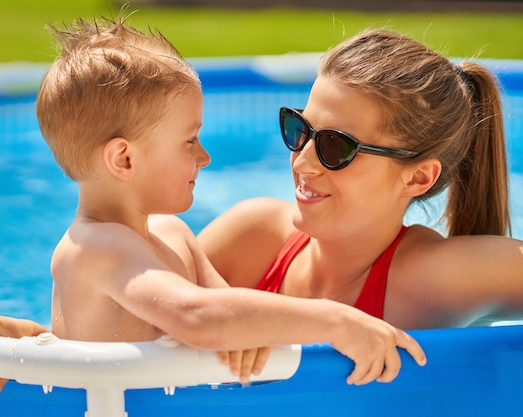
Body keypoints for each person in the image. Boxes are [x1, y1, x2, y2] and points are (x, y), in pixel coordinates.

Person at [0, 18, 426, 406]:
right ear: (124, 159)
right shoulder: (95, 247)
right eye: (189, 140)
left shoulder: (173, 236)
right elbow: (199, 318)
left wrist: (246, 329)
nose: (204, 156)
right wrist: (337, 321)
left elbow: (235, 319)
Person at [198, 28, 523, 330]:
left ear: (418, 177)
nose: (303, 161)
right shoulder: (253, 237)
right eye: (300, 130)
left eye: (336, 146)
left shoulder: (427, 279)